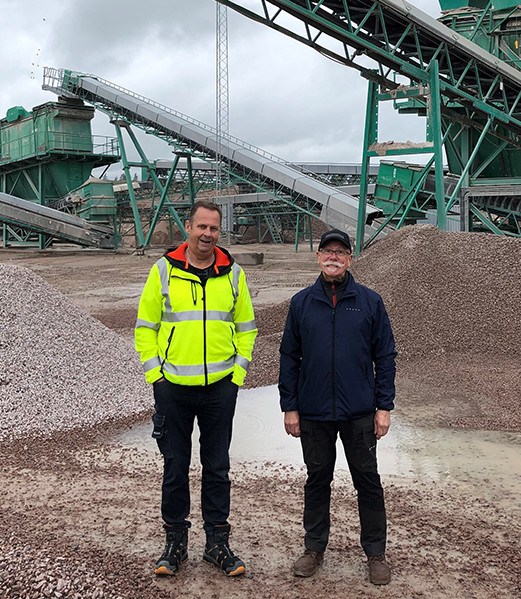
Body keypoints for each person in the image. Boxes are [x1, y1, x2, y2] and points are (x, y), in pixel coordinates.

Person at [134, 200, 257, 577]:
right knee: (175, 467)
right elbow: (144, 328)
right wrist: (156, 376)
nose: (207, 234)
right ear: (188, 227)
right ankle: (175, 544)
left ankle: (217, 544)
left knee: (217, 467)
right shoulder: (164, 271)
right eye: (201, 227)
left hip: (220, 388)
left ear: (220, 232)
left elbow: (247, 329)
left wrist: (236, 377)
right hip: (173, 389)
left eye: (214, 229)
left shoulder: (233, 274)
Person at [278, 228, 397, 585]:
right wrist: (290, 406)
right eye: (327, 251)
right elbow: (289, 357)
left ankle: (376, 554)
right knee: (317, 481)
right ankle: (314, 548)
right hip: (313, 413)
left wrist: (383, 406)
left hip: (359, 412)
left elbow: (385, 356)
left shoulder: (369, 301)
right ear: (318, 257)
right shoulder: (301, 303)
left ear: (350, 258)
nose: (334, 257)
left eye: (340, 252)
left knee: (368, 483)